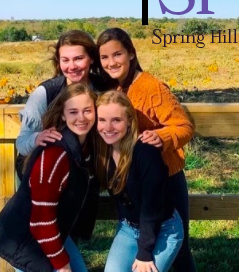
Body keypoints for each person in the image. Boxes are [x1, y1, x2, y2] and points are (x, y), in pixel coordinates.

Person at [97, 28, 197, 271]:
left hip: (166, 177)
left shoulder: (151, 87)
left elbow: (184, 125)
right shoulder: (113, 88)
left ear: (131, 53)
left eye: (117, 54)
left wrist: (160, 137)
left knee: (179, 252)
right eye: (104, 57)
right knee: (139, 235)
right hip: (132, 182)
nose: (111, 62)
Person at [0, 83, 98, 272]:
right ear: (63, 115)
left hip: (50, 233)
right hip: (25, 237)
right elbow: (40, 222)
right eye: (73, 112)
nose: (81, 118)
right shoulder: (55, 154)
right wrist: (63, 266)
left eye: (87, 111)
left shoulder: (84, 148)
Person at [96, 91, 183, 272]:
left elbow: (153, 206)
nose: (108, 127)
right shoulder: (102, 152)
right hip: (128, 229)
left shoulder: (145, 151)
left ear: (129, 121)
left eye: (116, 120)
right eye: (102, 120)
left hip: (163, 229)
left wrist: (144, 252)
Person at [16, 30, 108, 160]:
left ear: (91, 58)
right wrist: (36, 138)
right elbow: (22, 143)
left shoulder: (104, 89)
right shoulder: (46, 93)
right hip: (48, 170)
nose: (72, 66)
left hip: (90, 168)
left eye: (78, 59)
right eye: (65, 60)